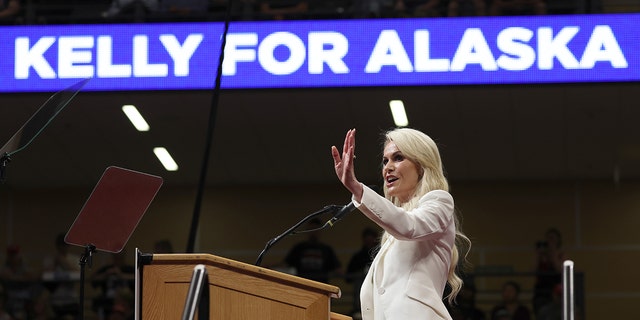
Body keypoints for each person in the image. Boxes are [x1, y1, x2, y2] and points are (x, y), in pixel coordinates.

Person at [331, 128, 471, 320]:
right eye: (385, 160)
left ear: (421, 165)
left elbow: (409, 227)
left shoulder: (440, 201)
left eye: (398, 158)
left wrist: (357, 188)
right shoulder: (391, 233)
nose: (387, 167)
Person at [282, 218, 342, 284]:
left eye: (315, 230)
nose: (313, 233)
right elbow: (286, 263)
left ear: (320, 231)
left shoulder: (326, 249)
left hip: (321, 285)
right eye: (311, 230)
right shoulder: (299, 248)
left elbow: (337, 268)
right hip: (302, 284)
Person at [346, 227, 380, 318]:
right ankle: (358, 309)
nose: (369, 240)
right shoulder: (358, 256)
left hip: (378, 288)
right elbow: (348, 277)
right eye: (367, 238)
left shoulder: (381, 254)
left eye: (371, 237)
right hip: (361, 289)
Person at [532, 228, 564, 315]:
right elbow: (533, 270)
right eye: (548, 238)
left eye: (552, 238)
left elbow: (559, 270)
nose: (549, 241)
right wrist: (538, 255)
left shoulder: (561, 255)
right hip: (541, 290)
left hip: (556, 289)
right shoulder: (542, 256)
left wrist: (553, 253)